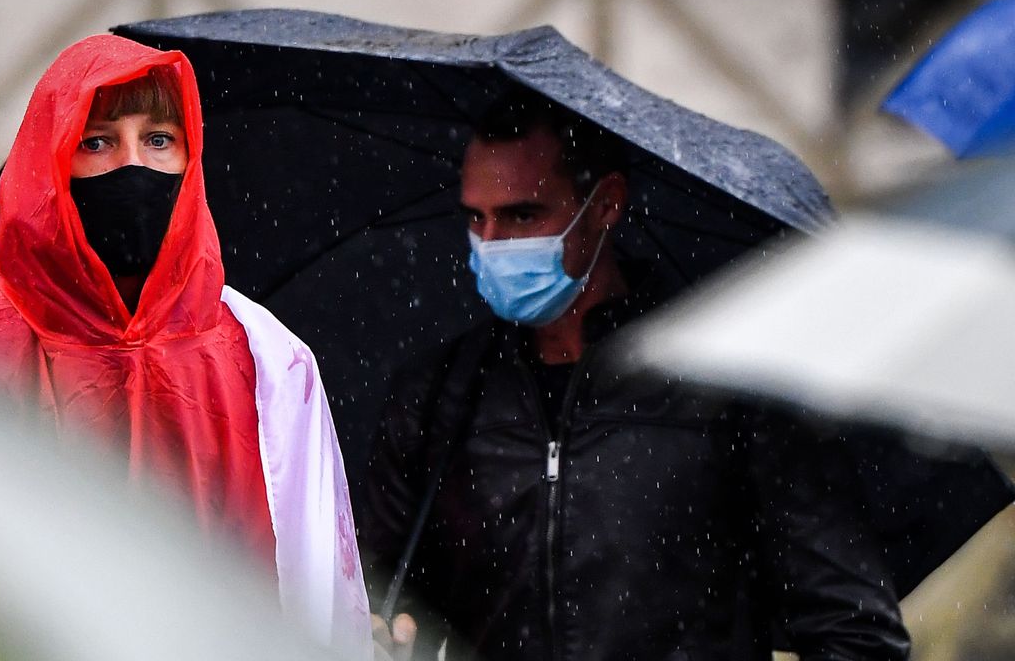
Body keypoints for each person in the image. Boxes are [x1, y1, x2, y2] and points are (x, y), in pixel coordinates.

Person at [361, 88, 911, 661]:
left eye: (523, 215)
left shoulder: (725, 385)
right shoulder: (439, 396)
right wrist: (378, 638)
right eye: (476, 218)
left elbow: (855, 636)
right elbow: (380, 602)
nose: (492, 245)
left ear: (605, 205)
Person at [0, 35, 370, 658]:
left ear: (189, 158)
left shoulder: (267, 358)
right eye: (97, 141)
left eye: (159, 139)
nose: (132, 164)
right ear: (52, 160)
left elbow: (317, 602)